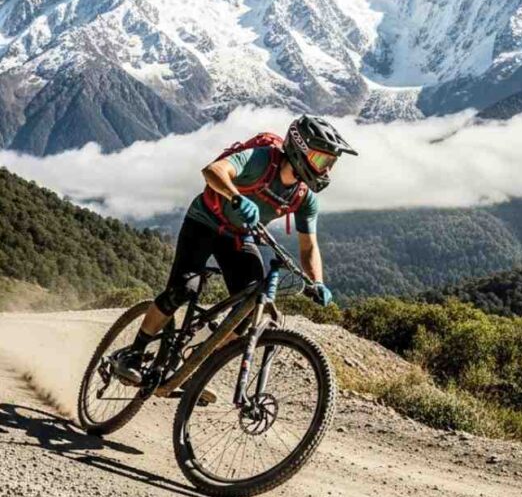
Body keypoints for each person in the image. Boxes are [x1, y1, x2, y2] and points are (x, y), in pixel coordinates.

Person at [114, 114, 358, 384]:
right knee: (183, 289)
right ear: (301, 150)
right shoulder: (261, 160)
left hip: (240, 236)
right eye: (322, 160)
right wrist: (236, 196)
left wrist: (317, 282)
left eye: (331, 164)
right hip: (204, 221)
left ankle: (192, 370)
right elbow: (213, 171)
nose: (325, 171)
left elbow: (308, 246)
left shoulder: (304, 199)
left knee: (249, 308)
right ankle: (133, 353)